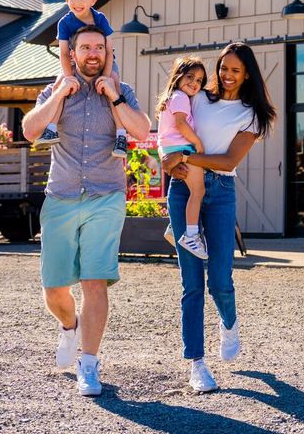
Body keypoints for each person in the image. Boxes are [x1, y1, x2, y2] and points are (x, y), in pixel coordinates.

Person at [22, 26, 151, 397]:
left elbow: (142, 131)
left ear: (106, 51)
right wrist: (60, 92)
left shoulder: (120, 90)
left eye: (98, 47)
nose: (92, 53)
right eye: (85, 47)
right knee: (54, 290)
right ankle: (68, 327)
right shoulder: (57, 89)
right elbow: (31, 130)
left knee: (95, 281)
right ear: (73, 53)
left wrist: (115, 98)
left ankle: (89, 364)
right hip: (60, 197)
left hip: (105, 196)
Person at [161, 42, 276, 394]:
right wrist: (166, 160)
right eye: (223, 67)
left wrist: (185, 160)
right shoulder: (197, 96)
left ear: (247, 75)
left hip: (220, 191)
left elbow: (227, 162)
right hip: (182, 189)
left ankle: (229, 323)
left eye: (235, 70)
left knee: (221, 279)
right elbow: (168, 125)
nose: (226, 75)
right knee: (191, 282)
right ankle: (197, 363)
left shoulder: (253, 114)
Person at [34, 0, 128, 158]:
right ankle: (51, 128)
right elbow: (63, 52)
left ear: (93, 0)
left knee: (114, 84)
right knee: (60, 84)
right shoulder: (65, 23)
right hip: (77, 64)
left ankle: (120, 135)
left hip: (104, 62)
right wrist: (69, 77)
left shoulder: (100, 19)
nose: (77, 3)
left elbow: (109, 51)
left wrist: (106, 75)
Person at [155, 57, 208, 259]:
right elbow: (181, 124)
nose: (195, 83)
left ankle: (173, 228)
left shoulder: (174, 97)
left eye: (199, 80)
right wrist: (198, 143)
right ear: (178, 77)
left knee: (191, 191)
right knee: (198, 191)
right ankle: (191, 235)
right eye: (190, 77)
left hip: (172, 147)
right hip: (182, 146)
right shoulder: (180, 97)